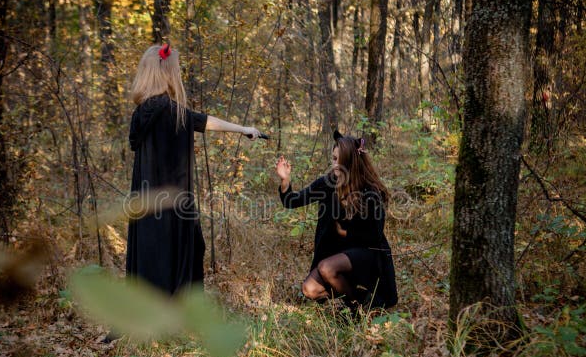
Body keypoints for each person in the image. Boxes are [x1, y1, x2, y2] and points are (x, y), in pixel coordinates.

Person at [126, 43, 262, 295]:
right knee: (184, 247)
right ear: (167, 73)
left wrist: (243, 130)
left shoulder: (141, 113)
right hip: (170, 202)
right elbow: (205, 121)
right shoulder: (170, 111)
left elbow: (200, 121)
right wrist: (244, 129)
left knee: (152, 252)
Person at [275, 131, 397, 310]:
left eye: (340, 160)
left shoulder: (369, 190)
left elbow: (374, 234)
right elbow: (292, 201)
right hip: (337, 253)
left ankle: (355, 307)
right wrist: (285, 180)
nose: (335, 165)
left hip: (366, 255)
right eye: (333, 158)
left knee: (326, 268)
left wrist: (344, 231)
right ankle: (360, 296)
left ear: (351, 162)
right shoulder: (327, 184)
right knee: (310, 289)